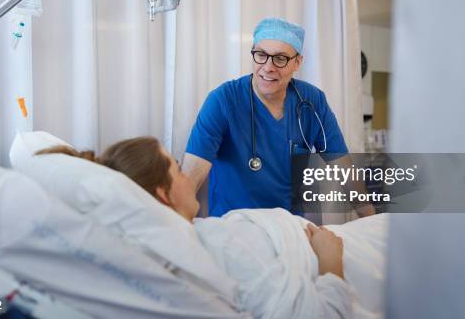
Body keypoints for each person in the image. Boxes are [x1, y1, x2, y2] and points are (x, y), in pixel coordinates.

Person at [37, 137, 363, 318]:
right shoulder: (221, 249)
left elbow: (336, 152)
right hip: (334, 253)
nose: (186, 177)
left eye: (281, 59)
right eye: (177, 169)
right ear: (164, 195)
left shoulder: (196, 239)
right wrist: (330, 263)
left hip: (308, 235)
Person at [182, 17, 375, 217]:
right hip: (234, 228)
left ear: (297, 62)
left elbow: (343, 169)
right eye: (261, 55)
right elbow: (189, 180)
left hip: (291, 229)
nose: (268, 67)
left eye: (280, 58)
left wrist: (370, 222)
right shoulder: (223, 101)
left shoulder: (312, 102)